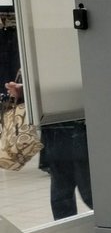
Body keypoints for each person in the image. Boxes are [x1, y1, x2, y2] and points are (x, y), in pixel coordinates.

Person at [3, 77, 92, 219]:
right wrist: (25, 91)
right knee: (61, 200)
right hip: (57, 138)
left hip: (79, 136)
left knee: (89, 195)